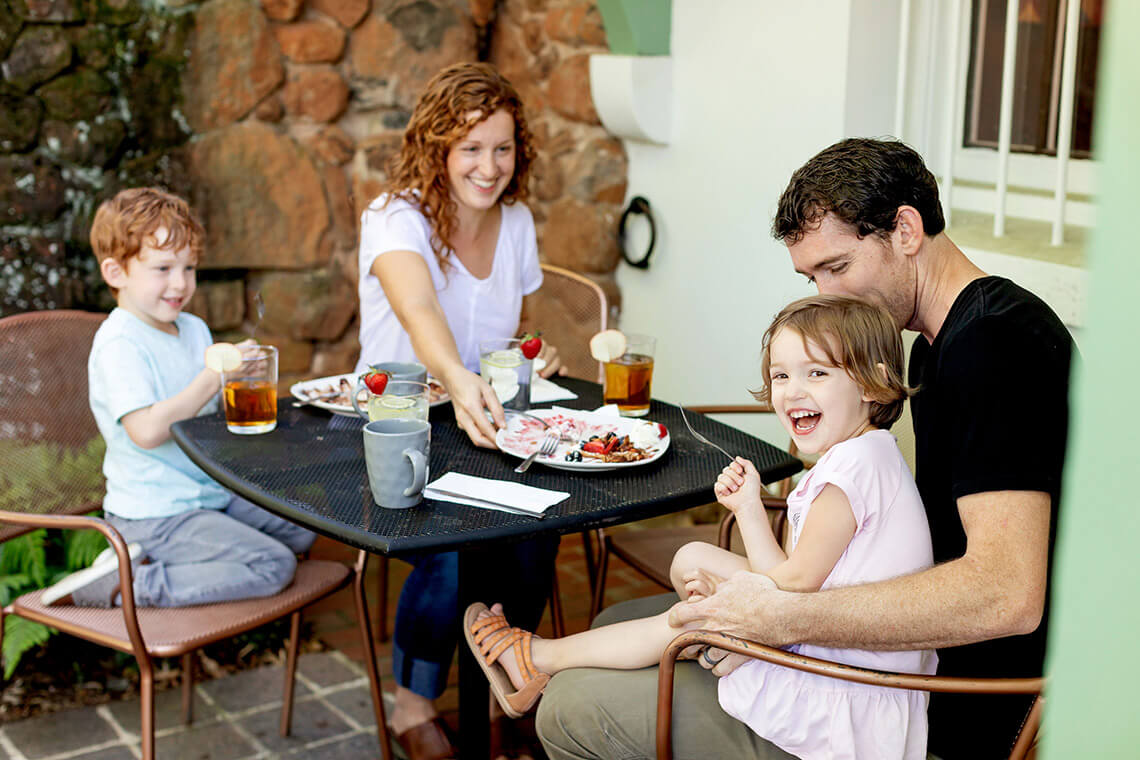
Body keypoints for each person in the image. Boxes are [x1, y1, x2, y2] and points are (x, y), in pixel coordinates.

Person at [536, 138, 1072, 760]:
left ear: (905, 229)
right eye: (810, 276)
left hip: (926, 706)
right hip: (890, 665)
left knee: (570, 707)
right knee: (612, 629)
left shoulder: (997, 346)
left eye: (837, 268)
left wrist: (779, 618)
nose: (823, 296)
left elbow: (1007, 595)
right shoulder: (936, 344)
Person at [467, 295, 937, 760]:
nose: (793, 390)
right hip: (833, 643)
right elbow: (794, 580)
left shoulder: (849, 473)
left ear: (874, 384)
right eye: (781, 375)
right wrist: (749, 511)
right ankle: (723, 644)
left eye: (817, 372)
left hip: (842, 696)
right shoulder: (863, 455)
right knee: (693, 557)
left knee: (683, 620)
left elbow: (791, 591)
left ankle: (539, 659)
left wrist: (745, 538)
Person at [355, 62, 560, 760]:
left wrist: (524, 361)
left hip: (484, 418)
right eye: (470, 147)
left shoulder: (518, 222)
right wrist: (459, 377)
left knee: (539, 525)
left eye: (502, 148)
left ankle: (510, 683)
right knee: (449, 550)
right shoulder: (393, 219)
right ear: (438, 147)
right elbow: (418, 313)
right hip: (397, 421)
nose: (489, 165)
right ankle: (412, 702)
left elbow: (502, 335)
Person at [42, 187, 315, 609]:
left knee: (304, 527)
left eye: (189, 268)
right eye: (163, 268)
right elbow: (148, 431)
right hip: (155, 511)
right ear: (116, 273)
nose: (180, 283)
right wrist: (213, 377)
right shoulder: (120, 343)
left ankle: (171, 561)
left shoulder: (193, 329)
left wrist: (239, 390)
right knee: (272, 565)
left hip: (208, 494)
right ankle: (121, 586)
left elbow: (204, 411)